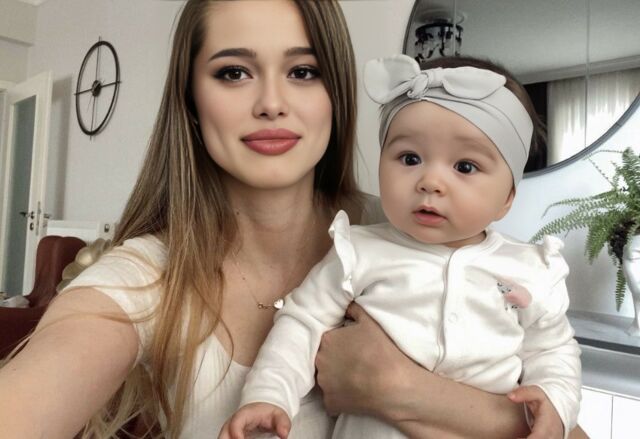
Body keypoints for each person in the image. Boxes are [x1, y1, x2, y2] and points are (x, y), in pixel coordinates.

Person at [0, 1, 586, 438]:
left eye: (303, 71)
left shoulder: (420, 231)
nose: (272, 103)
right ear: (192, 103)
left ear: (336, 93)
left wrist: (402, 391)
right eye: (233, 72)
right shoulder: (144, 278)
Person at [219, 53, 582, 439]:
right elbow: (302, 323)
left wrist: (557, 402)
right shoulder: (358, 250)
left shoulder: (530, 269)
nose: (430, 182)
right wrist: (269, 395)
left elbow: (552, 350)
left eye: (465, 166)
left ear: (507, 198)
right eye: (410, 158)